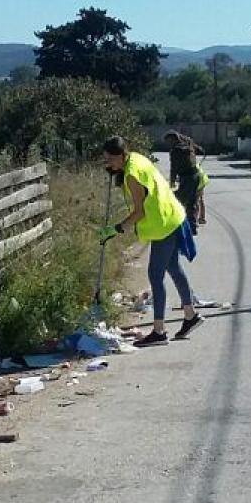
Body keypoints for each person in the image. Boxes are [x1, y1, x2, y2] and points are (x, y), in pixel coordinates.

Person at [101, 135, 201, 346]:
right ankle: (191, 315)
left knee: (155, 275)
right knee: (173, 267)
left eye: (109, 159)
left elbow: (139, 212)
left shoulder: (131, 175)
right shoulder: (136, 158)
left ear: (120, 156)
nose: (107, 164)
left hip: (162, 224)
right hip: (172, 216)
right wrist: (116, 173)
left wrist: (117, 228)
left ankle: (159, 331)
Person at [166, 130, 209, 228]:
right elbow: (202, 151)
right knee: (192, 202)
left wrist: (172, 181)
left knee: (177, 199)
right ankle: (192, 226)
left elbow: (174, 168)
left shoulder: (175, 151)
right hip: (196, 175)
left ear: (173, 139)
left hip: (186, 178)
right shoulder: (188, 144)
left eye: (168, 141)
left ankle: (176, 223)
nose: (168, 144)